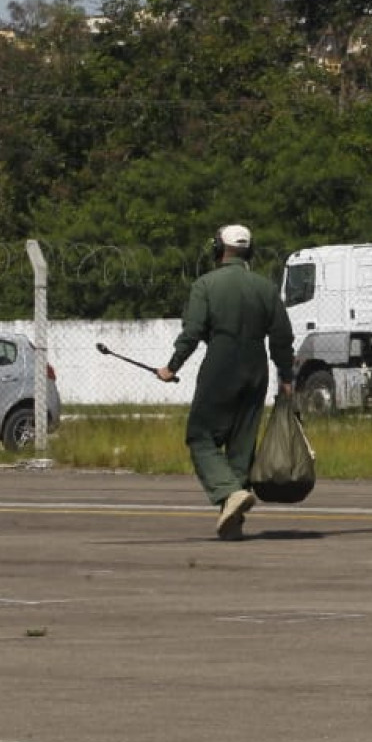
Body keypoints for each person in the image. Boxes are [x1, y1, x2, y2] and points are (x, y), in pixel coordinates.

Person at [157, 224, 294, 540]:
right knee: (242, 444)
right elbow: (282, 337)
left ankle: (229, 493)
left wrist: (171, 367)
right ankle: (232, 520)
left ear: (219, 250)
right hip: (257, 368)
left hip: (222, 363)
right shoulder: (265, 288)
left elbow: (192, 332)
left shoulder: (205, 285)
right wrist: (286, 377)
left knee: (200, 436)